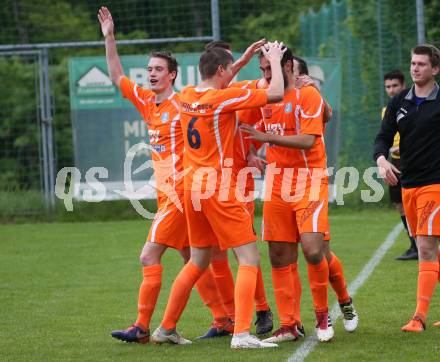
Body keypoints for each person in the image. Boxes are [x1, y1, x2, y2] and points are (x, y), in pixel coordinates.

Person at [98, 6, 232, 344]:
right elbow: (116, 75)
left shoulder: (184, 103)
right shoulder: (147, 101)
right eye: (148, 69)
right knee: (192, 258)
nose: (151, 74)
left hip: (179, 194)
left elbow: (218, 101)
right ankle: (223, 319)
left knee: (149, 255)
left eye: (158, 69)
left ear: (173, 75)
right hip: (170, 193)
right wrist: (110, 37)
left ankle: (142, 327)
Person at [151, 42, 285, 349]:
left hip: (190, 187)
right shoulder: (223, 99)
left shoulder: (185, 95)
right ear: (222, 71)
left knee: (197, 260)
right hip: (219, 188)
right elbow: (275, 92)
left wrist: (241, 61)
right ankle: (241, 333)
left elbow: (219, 77)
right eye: (230, 69)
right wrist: (274, 61)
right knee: (249, 257)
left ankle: (166, 327)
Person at [241, 48, 333, 343]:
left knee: (313, 250)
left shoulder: (308, 94)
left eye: (271, 68)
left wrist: (267, 139)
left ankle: (322, 317)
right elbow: (244, 122)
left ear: (289, 66)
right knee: (279, 255)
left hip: (308, 181)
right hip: (277, 183)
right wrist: (251, 151)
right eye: (263, 69)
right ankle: (288, 325)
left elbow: (307, 140)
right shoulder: (264, 93)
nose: (266, 75)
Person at [195, 40, 273, 339]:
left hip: (236, 178)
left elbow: (255, 127)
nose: (232, 67)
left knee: (243, 248)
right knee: (216, 253)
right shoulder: (212, 96)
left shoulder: (239, 94)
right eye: (229, 63)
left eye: (233, 62)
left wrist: (253, 151)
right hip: (211, 182)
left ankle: (262, 309)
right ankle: (227, 318)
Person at [374, 44, 440, 332]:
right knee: (434, 250)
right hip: (407, 184)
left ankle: (419, 318)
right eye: (413, 63)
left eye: (422, 64)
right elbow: (383, 137)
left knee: (425, 248)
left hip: (434, 183)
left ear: (435, 69)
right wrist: (381, 160)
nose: (415, 68)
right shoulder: (400, 101)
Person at [382, 70, 418, 260]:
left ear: (403, 85)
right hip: (395, 161)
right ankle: (414, 245)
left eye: (395, 85)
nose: (391, 90)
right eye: (388, 86)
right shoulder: (387, 109)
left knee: (418, 201)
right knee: (399, 203)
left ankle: (424, 242)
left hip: (414, 159)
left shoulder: (414, 104)